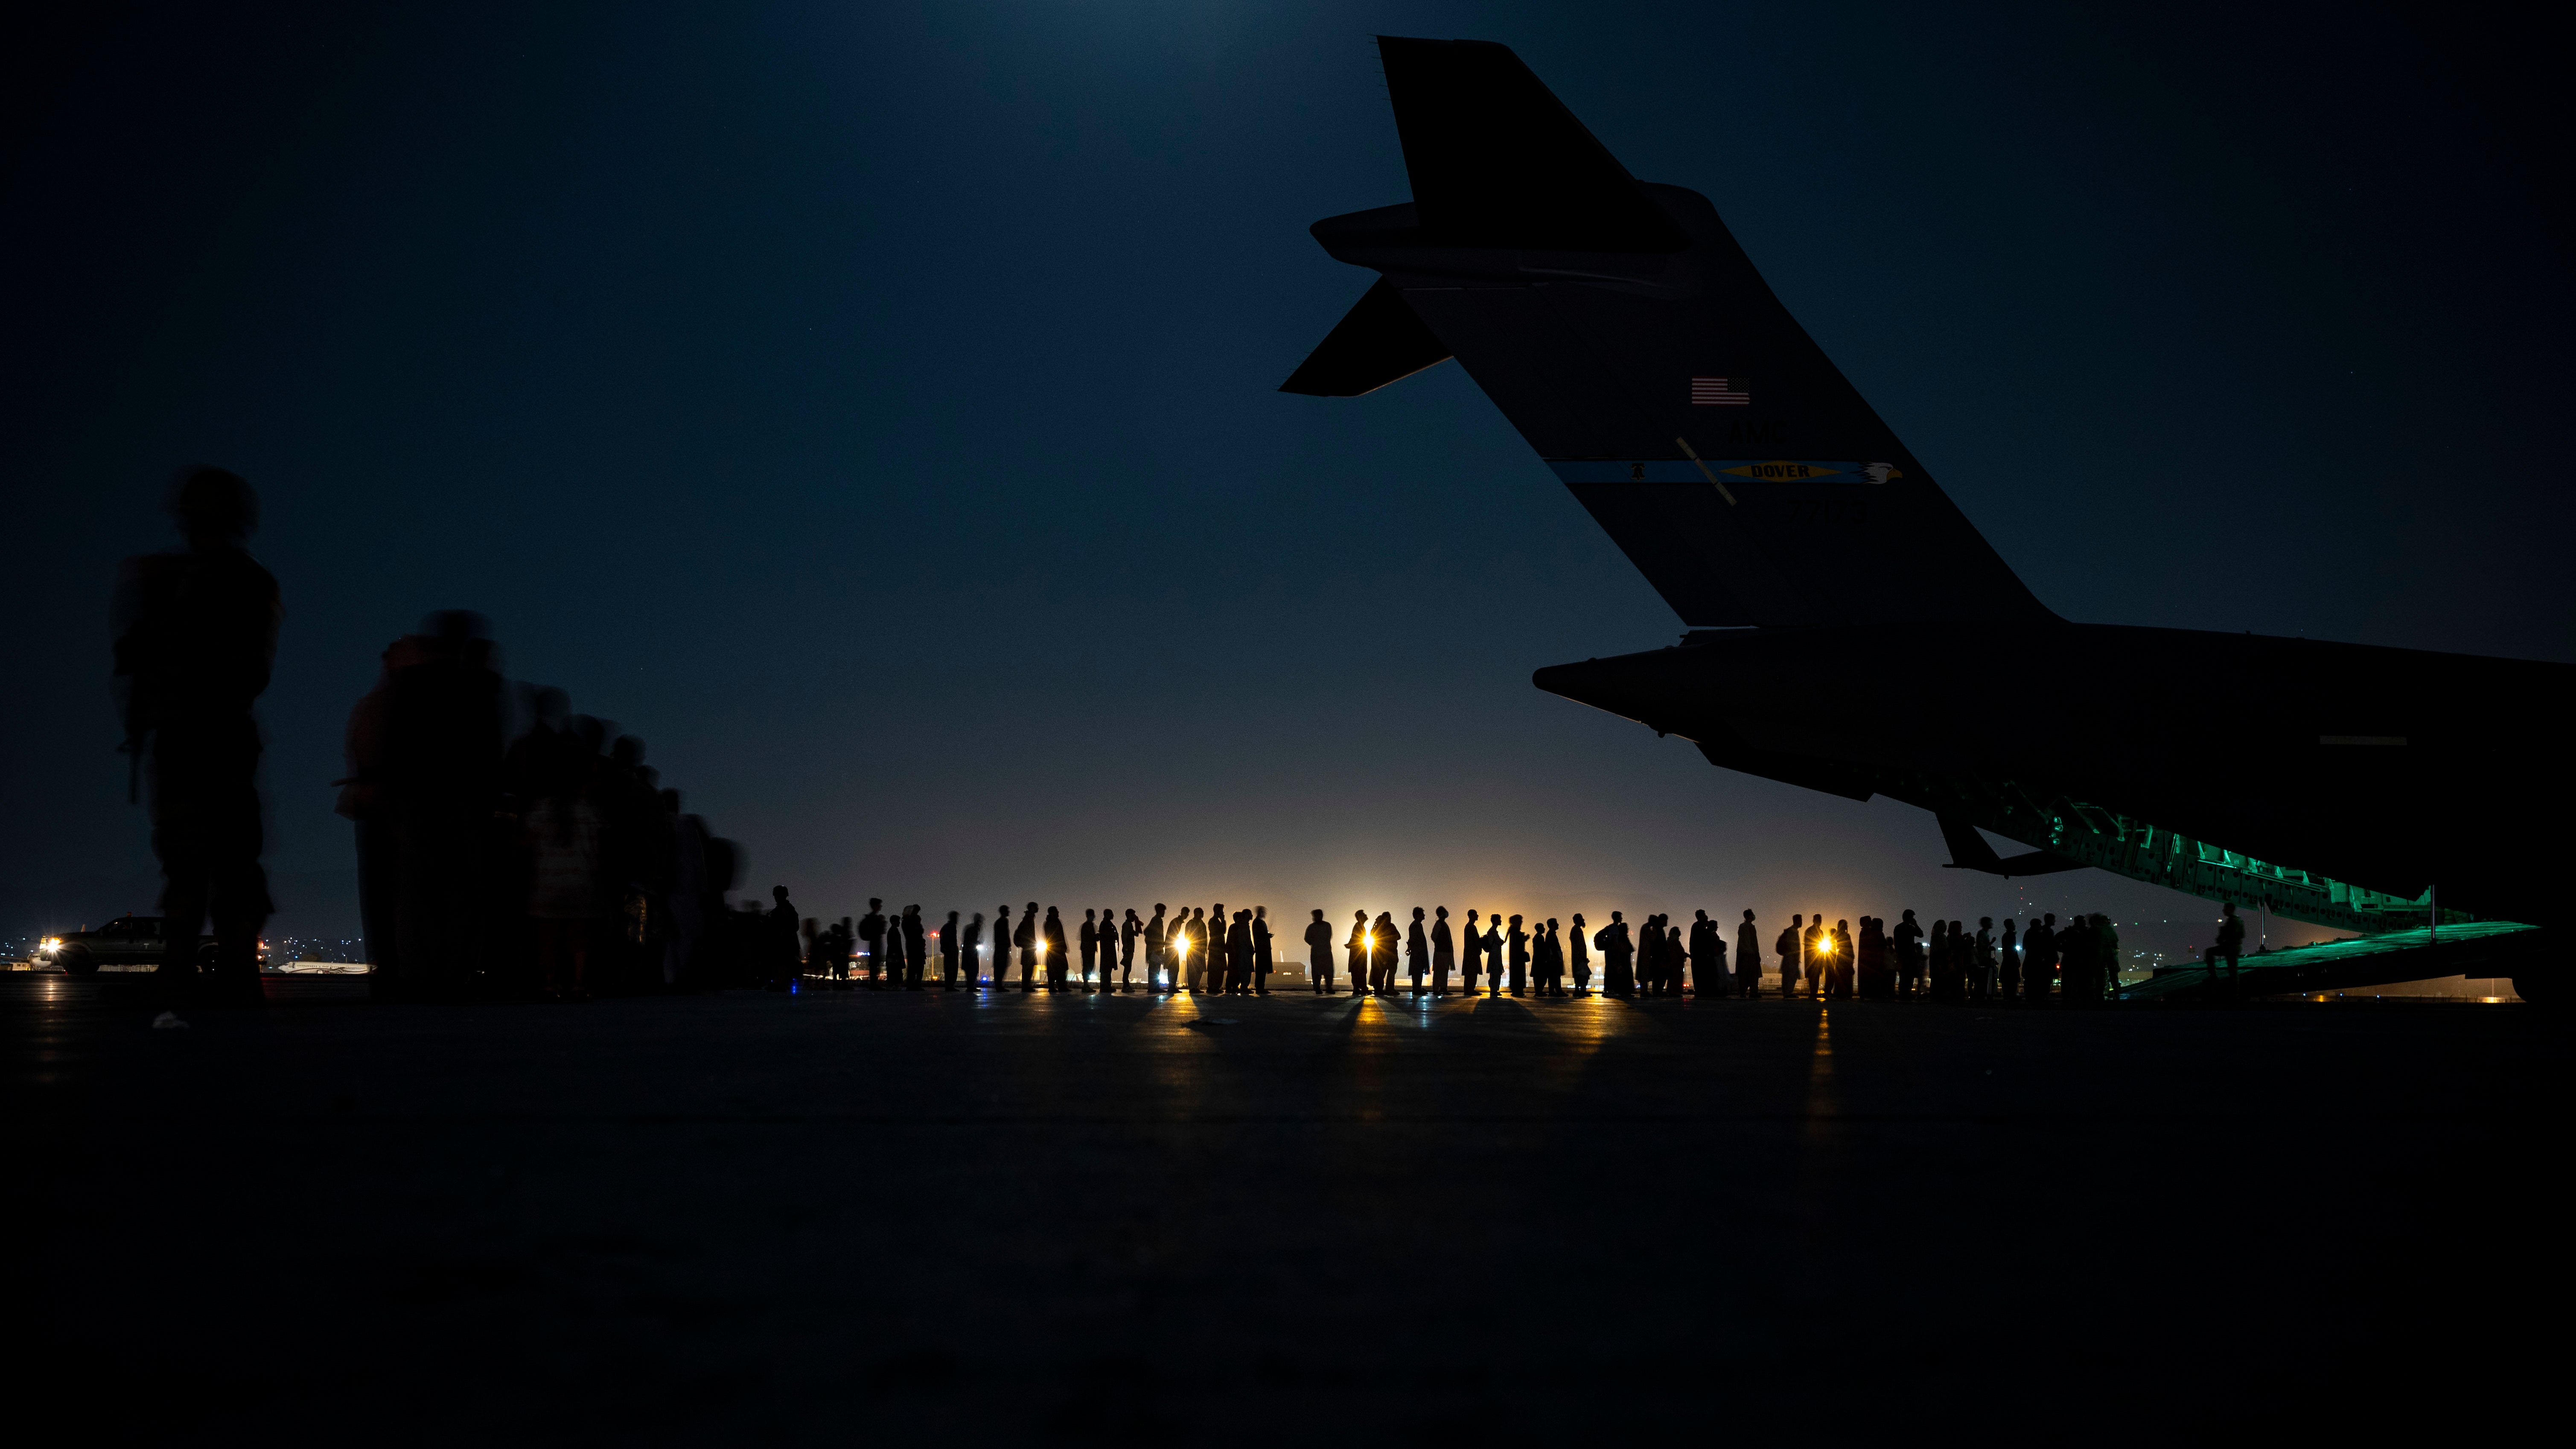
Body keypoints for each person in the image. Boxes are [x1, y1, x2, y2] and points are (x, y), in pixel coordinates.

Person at [115, 467, 282, 1004]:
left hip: (196, 734)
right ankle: (223, 962)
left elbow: (142, 661)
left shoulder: (185, 580)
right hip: (210, 734)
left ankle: (198, 962)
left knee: (198, 855)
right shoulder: (243, 580)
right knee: (221, 853)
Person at [2207, 903, 2245, 996]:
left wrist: (2222, 938)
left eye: (2225, 909)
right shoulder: (2238, 920)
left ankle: (2214, 976)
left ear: (2230, 909)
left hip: (2231, 948)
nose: (2224, 911)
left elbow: (2231, 935)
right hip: (2234, 947)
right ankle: (2235, 992)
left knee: (2232, 969)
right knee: (2233, 969)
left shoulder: (2233, 921)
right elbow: (2242, 935)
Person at [1597, 912, 1633, 997]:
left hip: (1611, 952)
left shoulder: (1612, 928)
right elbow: (1614, 941)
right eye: (1620, 917)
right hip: (1613, 952)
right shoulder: (1615, 929)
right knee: (1612, 971)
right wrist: (1617, 954)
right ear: (1616, 918)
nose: (1621, 919)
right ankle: (1610, 990)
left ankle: (1610, 989)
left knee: (1611, 970)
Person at [2022, 912, 2056, 1002]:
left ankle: (2032, 995)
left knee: (2031, 979)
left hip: (2032, 959)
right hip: (2036, 960)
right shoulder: (2037, 933)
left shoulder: (2030, 933)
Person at [1892, 910, 1923, 997]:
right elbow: (1921, 935)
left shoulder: (1898, 928)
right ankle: (1906, 992)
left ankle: (1903, 992)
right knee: (1909, 975)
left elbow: (1897, 943)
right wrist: (1916, 925)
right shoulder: (1911, 928)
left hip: (1902, 955)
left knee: (1903, 975)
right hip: (1910, 955)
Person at [859, 900, 889, 988]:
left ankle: (874, 984)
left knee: (875, 964)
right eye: (879, 905)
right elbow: (880, 931)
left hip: (875, 943)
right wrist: (882, 922)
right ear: (875, 906)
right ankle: (874, 984)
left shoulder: (872, 917)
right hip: (875, 943)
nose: (881, 907)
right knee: (874, 964)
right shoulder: (874, 918)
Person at [1304, 908, 1333, 994]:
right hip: (1322, 952)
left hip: (1322, 952)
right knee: (1320, 972)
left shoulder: (1314, 927)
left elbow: (1307, 939)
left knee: (1325, 971)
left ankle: (1326, 988)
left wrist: (1315, 944)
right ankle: (1320, 988)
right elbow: (1307, 939)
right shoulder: (1325, 926)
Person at [1372, 912, 1401, 995]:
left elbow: (1399, 936)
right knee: (1387, 972)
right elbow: (1398, 936)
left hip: (1388, 953)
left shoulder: (1386, 927)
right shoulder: (1388, 927)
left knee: (1386, 972)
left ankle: (1384, 989)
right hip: (1388, 953)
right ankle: (1387, 989)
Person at [1227, 909, 1255, 995]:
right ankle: (1233, 987)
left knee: (1238, 970)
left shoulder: (1240, 926)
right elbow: (1243, 939)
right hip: (1238, 952)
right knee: (1237, 970)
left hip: (1238, 952)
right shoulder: (1239, 927)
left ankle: (1235, 987)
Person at [1774, 915, 1802, 1000]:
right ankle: (1788, 993)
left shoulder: (1790, 931)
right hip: (1791, 958)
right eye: (1801, 920)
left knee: (1787, 976)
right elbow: (1793, 946)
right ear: (1797, 921)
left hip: (1788, 957)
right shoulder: (1793, 932)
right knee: (1791, 976)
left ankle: (1787, 993)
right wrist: (1796, 958)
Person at [1734, 910, 1760, 999]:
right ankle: (1753, 993)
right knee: (1753, 975)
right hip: (1751, 954)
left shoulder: (1741, 926)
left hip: (1742, 954)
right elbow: (1754, 942)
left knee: (1743, 975)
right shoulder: (1751, 927)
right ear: (1750, 916)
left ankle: (1743, 992)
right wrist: (1757, 954)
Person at [1014, 902, 1039, 991]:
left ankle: (1026, 986)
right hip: (1028, 947)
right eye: (1036, 907)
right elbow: (1029, 934)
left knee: (1028, 967)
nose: (1038, 908)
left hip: (1028, 947)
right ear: (1032, 908)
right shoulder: (1028, 919)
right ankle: (1026, 986)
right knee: (1028, 967)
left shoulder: (1029, 918)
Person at [1042, 907, 1069, 989]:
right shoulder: (1052, 923)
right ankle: (1058, 986)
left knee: (1059, 968)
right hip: (1055, 949)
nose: (1058, 912)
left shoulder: (1051, 922)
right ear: (1053, 912)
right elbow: (1058, 936)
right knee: (1056, 968)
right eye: (1056, 911)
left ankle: (1058, 986)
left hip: (1056, 948)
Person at [1431, 906, 1455, 996]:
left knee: (1444, 970)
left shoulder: (1443, 924)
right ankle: (1436, 989)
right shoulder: (1439, 924)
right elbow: (1434, 937)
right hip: (1441, 952)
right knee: (1439, 971)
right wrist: (1440, 944)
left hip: (1445, 952)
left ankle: (1443, 988)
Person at [1144, 904, 1168, 991]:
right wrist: (1157, 943)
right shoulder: (1157, 921)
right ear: (1160, 911)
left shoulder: (1155, 920)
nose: (1164, 913)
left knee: (1155, 968)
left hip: (1155, 948)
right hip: (1155, 949)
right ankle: (1154, 988)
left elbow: (1146, 931)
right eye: (1163, 911)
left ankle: (1154, 987)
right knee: (1155, 969)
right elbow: (1147, 932)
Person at [1346, 909, 1370, 995]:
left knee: (1360, 971)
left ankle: (1361, 988)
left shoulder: (1360, 926)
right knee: (1359, 971)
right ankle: (1359, 988)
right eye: (1364, 914)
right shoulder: (1359, 927)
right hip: (1359, 954)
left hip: (1359, 953)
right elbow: (1356, 940)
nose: (1366, 915)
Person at [1460, 910, 1484, 997]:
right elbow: (1476, 941)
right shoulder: (1471, 927)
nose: (1478, 916)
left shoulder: (1468, 927)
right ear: (1472, 916)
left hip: (1469, 953)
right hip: (1472, 954)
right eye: (1476, 915)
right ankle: (1470, 989)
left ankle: (1468, 989)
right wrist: (1479, 949)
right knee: (1472, 972)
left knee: (1469, 973)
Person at [1480, 914, 1504, 997]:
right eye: (1499, 920)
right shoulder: (1493, 931)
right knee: (1496, 972)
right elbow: (1499, 942)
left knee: (1494, 973)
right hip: (1495, 955)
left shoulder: (1492, 931)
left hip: (1494, 955)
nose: (1501, 921)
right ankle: (1494, 990)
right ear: (1495, 921)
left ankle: (1494, 989)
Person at [1407, 907, 1430, 997]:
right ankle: (1417, 988)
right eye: (1422, 914)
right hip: (1418, 953)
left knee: (1418, 971)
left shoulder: (1415, 925)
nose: (1424, 915)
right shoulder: (1417, 925)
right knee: (1418, 971)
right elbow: (1415, 939)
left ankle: (1417, 988)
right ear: (1418, 915)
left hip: (1417, 952)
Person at [1506, 914, 1530, 997]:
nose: (1522, 922)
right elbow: (1518, 944)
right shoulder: (1515, 931)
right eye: (1520, 920)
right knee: (1518, 974)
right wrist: (1524, 939)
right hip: (1517, 958)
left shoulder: (1513, 931)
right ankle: (1518, 991)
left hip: (1517, 958)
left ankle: (1517, 990)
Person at [1252, 905, 1274, 994]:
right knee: (1261, 969)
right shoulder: (1258, 923)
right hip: (1262, 950)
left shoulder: (1260, 922)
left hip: (1264, 949)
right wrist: (1267, 935)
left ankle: (1261, 987)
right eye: (1263, 912)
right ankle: (1259, 988)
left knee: (1263, 969)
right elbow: (1260, 935)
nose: (1264, 914)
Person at [1569, 911, 1592, 996]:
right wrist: (1583, 956)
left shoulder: (1575, 930)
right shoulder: (1577, 930)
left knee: (1579, 974)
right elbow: (1580, 945)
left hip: (1577, 957)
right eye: (1581, 918)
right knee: (1582, 974)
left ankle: (1578, 990)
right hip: (1579, 957)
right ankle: (1582, 990)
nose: (1583, 920)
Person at [1998, 917, 2021, 999]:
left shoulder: (2006, 936)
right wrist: (2017, 959)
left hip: (2007, 960)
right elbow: (2013, 949)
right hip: (2011, 961)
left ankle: (2008, 996)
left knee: (2007, 980)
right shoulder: (2011, 935)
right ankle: (2012, 996)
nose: (2015, 925)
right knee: (2012, 979)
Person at [1121, 907, 1142, 990]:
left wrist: (1137, 922)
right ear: (1129, 915)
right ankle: (1126, 986)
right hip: (1128, 949)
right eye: (1133, 915)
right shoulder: (1127, 925)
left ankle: (1126, 985)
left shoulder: (1130, 925)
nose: (1135, 916)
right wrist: (1126, 948)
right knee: (1127, 968)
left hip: (1130, 949)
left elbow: (1137, 934)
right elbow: (1124, 937)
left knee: (1128, 968)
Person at [963, 912, 985, 988]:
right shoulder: (973, 930)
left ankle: (971, 986)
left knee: (971, 971)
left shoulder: (970, 929)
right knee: (973, 970)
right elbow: (972, 941)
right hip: (970, 954)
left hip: (969, 953)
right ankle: (971, 987)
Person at [1080, 909, 1101, 987]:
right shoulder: (1087, 926)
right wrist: (1097, 936)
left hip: (1089, 949)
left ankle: (1086, 984)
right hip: (1088, 949)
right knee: (1088, 967)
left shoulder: (1089, 925)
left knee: (1090, 967)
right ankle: (1086, 985)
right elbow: (1090, 937)